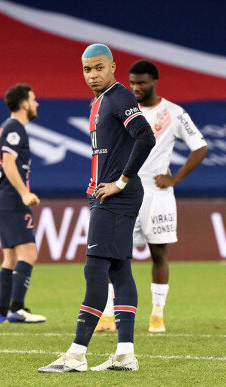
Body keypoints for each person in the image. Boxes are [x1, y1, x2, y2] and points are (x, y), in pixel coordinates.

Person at [38, 44, 155, 373]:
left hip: (118, 197)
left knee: (95, 270)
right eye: (87, 69)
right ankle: (125, 354)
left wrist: (120, 181)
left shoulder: (119, 97)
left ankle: (76, 355)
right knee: (119, 271)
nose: (93, 75)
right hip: (106, 196)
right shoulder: (100, 102)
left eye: (99, 68)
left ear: (113, 67)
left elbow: (146, 137)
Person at [95, 60, 208, 334]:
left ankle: (157, 315)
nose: (135, 88)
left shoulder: (173, 113)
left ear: (155, 81)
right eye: (132, 82)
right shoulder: (121, 108)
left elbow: (200, 147)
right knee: (116, 254)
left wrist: (175, 178)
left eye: (141, 83)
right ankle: (108, 315)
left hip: (157, 192)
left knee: (159, 252)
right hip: (125, 188)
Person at [0, 84, 46, 324]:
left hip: (1, 198)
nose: (36, 104)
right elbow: (8, 162)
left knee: (10, 257)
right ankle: (17, 308)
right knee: (29, 253)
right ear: (24, 104)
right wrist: (24, 193)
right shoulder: (15, 128)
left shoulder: (5, 127)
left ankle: (2, 312)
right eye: (33, 100)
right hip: (12, 198)